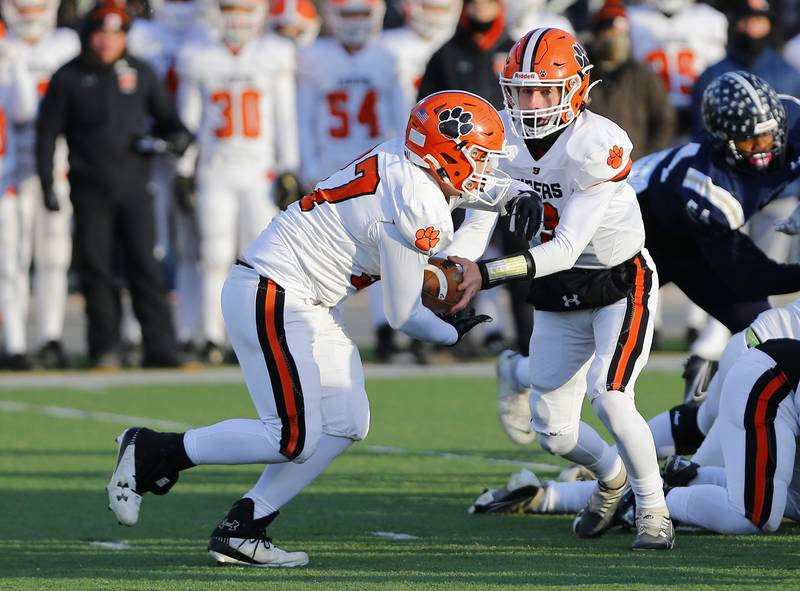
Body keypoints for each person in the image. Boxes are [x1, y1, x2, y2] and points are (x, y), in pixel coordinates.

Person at [106, 90, 538, 566]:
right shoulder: (417, 202)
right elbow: (403, 315)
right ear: (446, 153)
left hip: (303, 298)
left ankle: (244, 526)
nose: (485, 168)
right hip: (273, 292)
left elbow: (467, 187)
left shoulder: (404, 156)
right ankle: (153, 449)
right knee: (291, 438)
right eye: (478, 156)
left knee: (346, 421)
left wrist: (512, 194)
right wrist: (453, 334)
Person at [452, 27, 674, 550]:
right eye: (523, 89)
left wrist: (485, 274)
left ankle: (654, 509)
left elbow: (568, 246)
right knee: (553, 430)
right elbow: (480, 216)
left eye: (545, 91)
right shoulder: (498, 134)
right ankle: (612, 478)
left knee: (612, 396)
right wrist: (458, 263)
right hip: (554, 285)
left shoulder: (598, 142)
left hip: (617, 279)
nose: (531, 103)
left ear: (574, 89)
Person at [495, 73, 800, 452]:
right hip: (622, 242)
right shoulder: (710, 184)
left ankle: (726, 420)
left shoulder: (792, 120)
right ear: (725, 142)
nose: (765, 149)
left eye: (770, 136)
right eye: (752, 141)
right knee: (583, 356)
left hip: (693, 241)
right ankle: (517, 371)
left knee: (763, 334)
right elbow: (749, 277)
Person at [470, 299, 800, 523]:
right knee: (748, 510)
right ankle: (628, 496)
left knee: (719, 455)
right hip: (766, 366)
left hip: (760, 350)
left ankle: (557, 492)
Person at [35, 0, 191, 368]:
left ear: (125, 37)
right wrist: (47, 185)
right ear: (89, 36)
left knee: (145, 268)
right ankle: (105, 348)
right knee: (96, 270)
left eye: (115, 34)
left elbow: (172, 123)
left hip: (136, 188)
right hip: (89, 190)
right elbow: (47, 134)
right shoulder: (68, 77)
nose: (107, 41)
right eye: (100, 34)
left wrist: (178, 141)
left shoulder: (141, 73)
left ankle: (160, 348)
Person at [175, 0, 299, 365]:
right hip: (216, 169)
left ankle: (255, 334)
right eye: (230, 8)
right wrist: (185, 170)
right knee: (213, 255)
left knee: (260, 258)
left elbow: (284, 115)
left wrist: (288, 166)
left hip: (259, 170)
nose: (238, 17)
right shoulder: (199, 56)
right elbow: (188, 122)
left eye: (245, 8)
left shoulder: (274, 53)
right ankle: (211, 335)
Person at [127, 0, 209, 358]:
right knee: (148, 243)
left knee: (197, 247)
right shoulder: (141, 35)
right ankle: (138, 328)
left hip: (198, 154)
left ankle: (194, 329)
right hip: (148, 152)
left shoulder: (209, 34)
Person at [0, 0, 80, 369]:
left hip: (55, 165)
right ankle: (14, 342)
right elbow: (18, 113)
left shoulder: (65, 44)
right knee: (10, 261)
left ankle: (50, 336)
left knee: (54, 257)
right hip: (9, 169)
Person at [586, 0, 676, 161]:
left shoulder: (643, 75)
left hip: (636, 167)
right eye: (610, 33)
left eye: (621, 35)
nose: (616, 40)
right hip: (589, 166)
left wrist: (650, 159)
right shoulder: (582, 75)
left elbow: (664, 119)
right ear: (597, 35)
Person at [628, 0, 727, 135]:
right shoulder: (633, 18)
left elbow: (718, 72)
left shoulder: (710, 19)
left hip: (696, 109)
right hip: (650, 111)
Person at [0, 34, 40, 369]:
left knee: (10, 269)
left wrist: (17, 64)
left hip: (4, 187)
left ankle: (14, 343)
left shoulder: (8, 73)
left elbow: (26, 111)